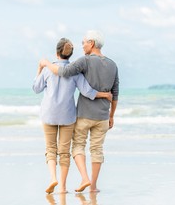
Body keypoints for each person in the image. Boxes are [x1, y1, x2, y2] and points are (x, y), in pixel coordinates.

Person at [40, 30, 119, 193]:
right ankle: (93, 186)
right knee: (97, 150)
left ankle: (84, 178)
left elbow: (63, 72)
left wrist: (46, 64)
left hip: (84, 114)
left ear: (91, 43)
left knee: (77, 147)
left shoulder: (84, 61)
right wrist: (111, 115)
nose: (82, 45)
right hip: (103, 116)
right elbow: (115, 92)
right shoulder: (112, 64)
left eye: (84, 42)